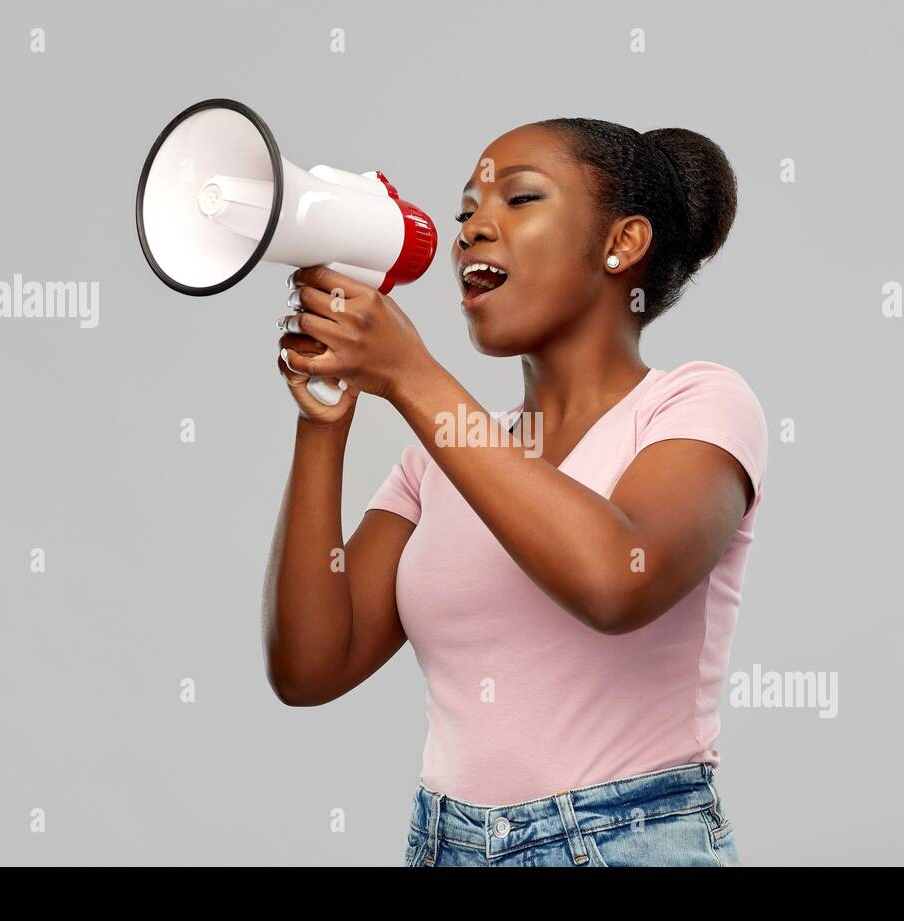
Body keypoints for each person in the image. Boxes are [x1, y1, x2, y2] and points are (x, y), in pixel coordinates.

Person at [264, 118, 767, 866]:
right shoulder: (438, 461)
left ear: (622, 244)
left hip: (630, 843)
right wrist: (324, 421)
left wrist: (410, 376)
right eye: (466, 210)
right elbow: (310, 666)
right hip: (446, 843)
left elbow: (615, 579)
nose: (472, 230)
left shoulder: (699, 405)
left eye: (520, 198)